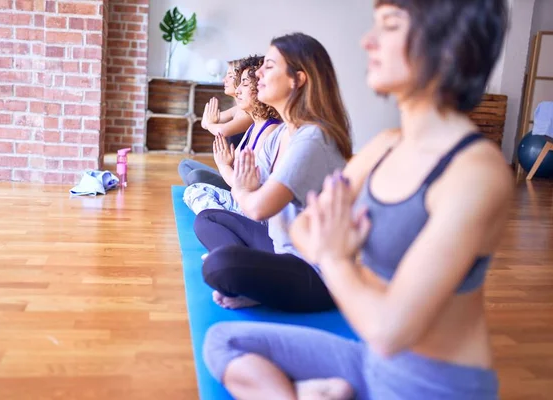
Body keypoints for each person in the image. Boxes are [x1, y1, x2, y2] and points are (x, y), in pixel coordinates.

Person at [201, 1, 512, 399]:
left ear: (447, 48)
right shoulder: (383, 148)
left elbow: (388, 331)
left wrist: (334, 256)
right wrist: (329, 247)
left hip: (431, 385)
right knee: (224, 341)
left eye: (389, 26)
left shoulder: (475, 173)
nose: (368, 41)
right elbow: (303, 228)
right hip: (369, 363)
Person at [193, 33, 353, 313]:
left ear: (297, 79)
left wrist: (242, 189)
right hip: (278, 246)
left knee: (222, 265)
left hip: (314, 270)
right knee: (207, 219)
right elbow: (251, 193)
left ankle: (256, 281)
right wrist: (244, 188)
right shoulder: (279, 134)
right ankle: (258, 281)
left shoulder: (313, 138)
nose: (259, 74)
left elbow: (256, 207)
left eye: (269, 66)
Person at [183, 55, 281, 216]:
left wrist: (224, 165)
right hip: (240, 195)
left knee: (196, 188)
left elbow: (247, 187)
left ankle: (221, 222)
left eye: (244, 83)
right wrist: (228, 164)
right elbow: (209, 123)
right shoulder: (255, 125)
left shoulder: (269, 130)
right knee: (189, 177)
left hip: (250, 209)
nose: (237, 90)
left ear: (261, 87)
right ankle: (219, 221)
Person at [178, 59, 253, 190]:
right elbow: (204, 123)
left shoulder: (248, 114)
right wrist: (211, 123)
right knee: (185, 165)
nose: (225, 80)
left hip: (236, 181)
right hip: (227, 171)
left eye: (230, 76)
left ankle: (206, 192)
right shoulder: (236, 110)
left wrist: (211, 123)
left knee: (196, 176)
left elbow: (221, 130)